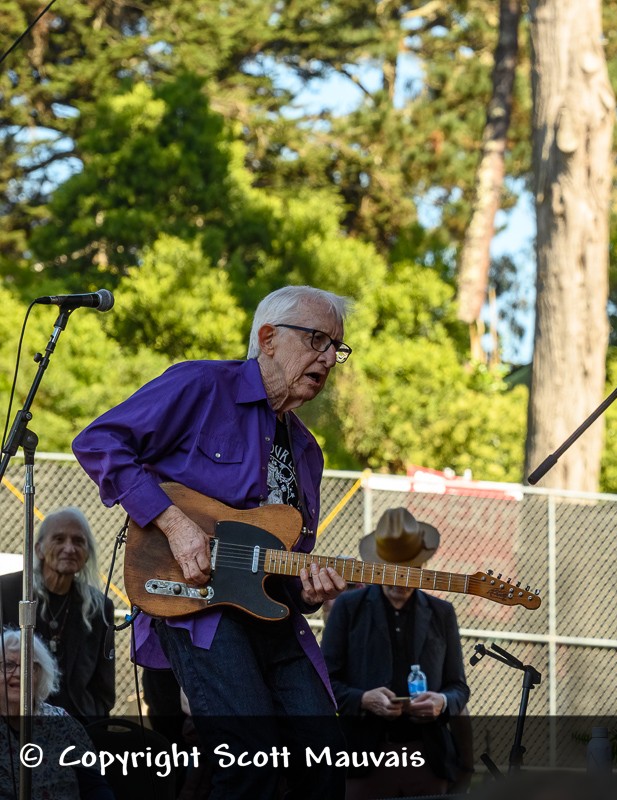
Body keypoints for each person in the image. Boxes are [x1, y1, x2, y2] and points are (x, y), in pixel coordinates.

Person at [71, 285, 353, 799]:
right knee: (249, 763)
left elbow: (283, 560)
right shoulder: (203, 385)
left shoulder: (308, 451)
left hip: (275, 623)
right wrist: (176, 525)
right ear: (267, 338)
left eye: (337, 347)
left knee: (324, 761)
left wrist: (308, 590)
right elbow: (98, 441)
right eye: (317, 340)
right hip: (199, 606)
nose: (330, 357)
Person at [321, 508, 470, 799]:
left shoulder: (442, 613)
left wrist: (441, 701)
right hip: (363, 760)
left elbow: (459, 688)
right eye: (391, 571)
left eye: (408, 571)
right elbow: (324, 683)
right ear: (377, 566)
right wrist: (363, 699)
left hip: (429, 758)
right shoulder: (348, 609)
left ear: (422, 567)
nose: (399, 581)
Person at [0, 508, 115, 723]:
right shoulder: (5, 592)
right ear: (39, 549)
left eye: (79, 541)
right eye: (59, 539)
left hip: (78, 726)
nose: (69, 548)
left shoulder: (99, 607)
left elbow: (104, 688)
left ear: (87, 553)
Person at [0, 630, 115, 799]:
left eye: (28, 666)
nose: (18, 674)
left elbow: (95, 786)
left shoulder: (62, 722)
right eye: (8, 665)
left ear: (39, 674)